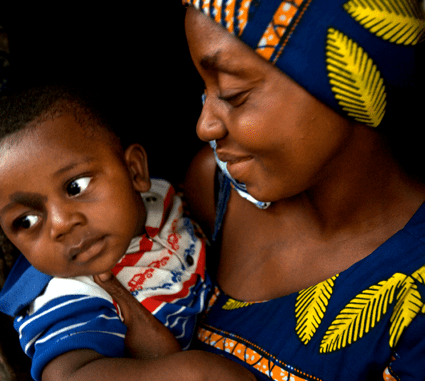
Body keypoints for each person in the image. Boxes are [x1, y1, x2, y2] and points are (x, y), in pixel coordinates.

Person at [181, 0, 425, 380]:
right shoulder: (213, 186)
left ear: (346, 83)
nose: (206, 125)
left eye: (232, 93)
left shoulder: (415, 297)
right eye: (204, 88)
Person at [0, 86, 256, 381]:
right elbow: (68, 375)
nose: (60, 224)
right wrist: (193, 372)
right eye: (26, 220)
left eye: (75, 187)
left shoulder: (160, 198)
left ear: (134, 172)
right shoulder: (71, 295)